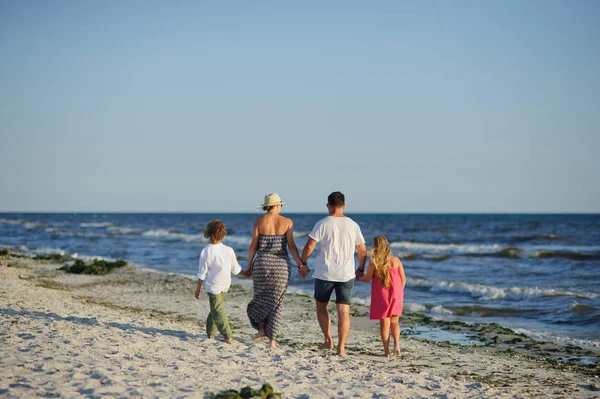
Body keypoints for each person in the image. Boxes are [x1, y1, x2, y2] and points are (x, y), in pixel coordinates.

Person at [300, 191, 367, 356]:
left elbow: (309, 246)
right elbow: (362, 250)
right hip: (346, 274)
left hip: (325, 273)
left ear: (328, 206)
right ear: (344, 206)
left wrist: (303, 263)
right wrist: (360, 269)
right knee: (344, 311)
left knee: (321, 307)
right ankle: (341, 348)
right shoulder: (353, 225)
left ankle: (328, 340)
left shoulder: (323, 223)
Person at [243, 193, 304, 349]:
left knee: (260, 297)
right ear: (277, 206)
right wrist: (300, 264)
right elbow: (291, 246)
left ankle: (262, 329)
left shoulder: (259, 221)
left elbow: (253, 246)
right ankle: (272, 341)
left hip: (262, 264)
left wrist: (249, 266)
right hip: (280, 265)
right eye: (280, 205)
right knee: (277, 302)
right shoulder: (287, 222)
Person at [357, 235, 406, 357]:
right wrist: (400, 291)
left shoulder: (374, 262)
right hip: (397, 295)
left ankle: (387, 352)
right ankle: (396, 344)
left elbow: (367, 279)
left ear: (375, 247)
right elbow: (403, 279)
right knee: (395, 322)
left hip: (382, 296)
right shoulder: (396, 260)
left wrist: (359, 278)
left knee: (385, 324)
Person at [194, 219, 242, 344]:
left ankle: (227, 335)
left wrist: (198, 288)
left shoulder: (206, 251)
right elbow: (236, 269)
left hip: (214, 286)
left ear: (208, 233)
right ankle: (210, 334)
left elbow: (202, 273)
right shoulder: (229, 250)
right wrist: (248, 272)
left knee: (217, 310)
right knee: (215, 309)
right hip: (226, 284)